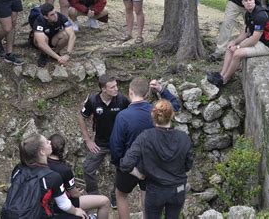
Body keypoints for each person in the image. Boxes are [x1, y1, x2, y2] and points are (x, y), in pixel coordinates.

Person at [110, 77, 180, 219]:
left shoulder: (122, 116)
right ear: (147, 94)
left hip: (131, 164)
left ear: (130, 92)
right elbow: (175, 105)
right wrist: (162, 90)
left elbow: (115, 147)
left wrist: (123, 166)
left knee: (121, 195)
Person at [119, 99, 193, 219]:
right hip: (178, 189)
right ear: (172, 115)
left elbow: (126, 164)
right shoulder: (184, 138)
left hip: (156, 190)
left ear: (152, 115)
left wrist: (139, 174)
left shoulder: (145, 137)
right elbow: (188, 165)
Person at [77, 74, 130, 209]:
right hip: (100, 143)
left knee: (122, 169)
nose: (116, 89)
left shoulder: (122, 100)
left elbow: (132, 115)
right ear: (103, 89)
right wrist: (88, 140)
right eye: (112, 87)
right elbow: (81, 117)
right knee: (88, 168)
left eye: (116, 85)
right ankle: (94, 195)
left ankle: (115, 195)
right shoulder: (93, 101)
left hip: (118, 143)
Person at [207, 0, 269, 88]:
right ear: (242, 3)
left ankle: (224, 80)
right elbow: (246, 32)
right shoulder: (248, 13)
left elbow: (254, 39)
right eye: (246, 1)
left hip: (266, 45)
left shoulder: (260, 15)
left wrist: (238, 46)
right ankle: (221, 75)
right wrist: (234, 42)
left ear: (254, 0)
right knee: (230, 44)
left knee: (237, 53)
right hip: (257, 41)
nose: (249, 2)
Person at [11, 133, 88, 218]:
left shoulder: (18, 169)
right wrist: (76, 211)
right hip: (37, 216)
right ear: (42, 151)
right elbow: (64, 204)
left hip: (13, 214)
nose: (50, 142)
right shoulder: (52, 176)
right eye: (47, 142)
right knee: (81, 216)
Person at [48, 134, 110, 219]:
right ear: (64, 149)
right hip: (59, 205)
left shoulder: (42, 162)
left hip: (48, 202)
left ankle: (88, 216)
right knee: (104, 201)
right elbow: (74, 194)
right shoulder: (64, 170)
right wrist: (80, 193)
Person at [31, 3, 76, 68]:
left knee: (66, 35)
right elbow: (41, 44)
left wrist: (68, 54)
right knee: (43, 38)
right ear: (45, 17)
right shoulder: (39, 21)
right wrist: (59, 58)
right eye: (52, 15)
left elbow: (72, 36)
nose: (55, 15)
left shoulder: (61, 17)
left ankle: (56, 51)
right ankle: (44, 55)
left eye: (55, 12)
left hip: (53, 39)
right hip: (41, 41)